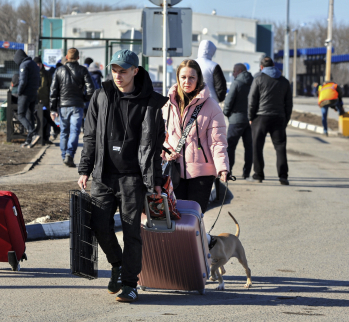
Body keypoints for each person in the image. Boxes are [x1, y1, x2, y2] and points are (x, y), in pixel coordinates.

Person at [78, 49, 167, 303]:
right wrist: (85, 168)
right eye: (115, 70)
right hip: (103, 175)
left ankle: (130, 284)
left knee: (131, 232)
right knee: (98, 225)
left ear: (135, 71)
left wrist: (156, 181)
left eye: (124, 71)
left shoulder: (150, 103)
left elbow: (154, 147)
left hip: (133, 178)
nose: (118, 75)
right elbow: (90, 136)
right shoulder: (101, 96)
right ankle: (117, 264)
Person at [163, 59, 229, 213]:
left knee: (194, 217)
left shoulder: (211, 106)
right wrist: (168, 151)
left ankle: (199, 238)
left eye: (192, 77)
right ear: (178, 78)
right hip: (175, 171)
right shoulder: (168, 104)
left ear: (198, 78)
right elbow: (162, 136)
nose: (187, 81)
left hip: (202, 174)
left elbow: (217, 142)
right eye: (183, 77)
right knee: (176, 217)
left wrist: (222, 168)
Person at [247, 57, 292, 185]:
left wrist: (250, 117)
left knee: (257, 146)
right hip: (279, 118)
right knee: (280, 147)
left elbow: (252, 100)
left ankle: (258, 175)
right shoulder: (284, 81)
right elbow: (289, 103)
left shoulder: (258, 79)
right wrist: (285, 119)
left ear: (261, 67)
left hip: (260, 117)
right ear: (274, 66)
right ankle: (283, 176)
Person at [50, 48, 95, 167]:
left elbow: (53, 91)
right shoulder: (83, 70)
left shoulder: (59, 70)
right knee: (75, 131)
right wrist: (84, 98)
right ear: (78, 58)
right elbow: (91, 89)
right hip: (77, 105)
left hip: (63, 105)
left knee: (64, 131)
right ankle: (70, 154)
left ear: (67, 57)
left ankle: (64, 155)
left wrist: (53, 109)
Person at [223, 63, 253, 179]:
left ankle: (228, 172)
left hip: (236, 120)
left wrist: (226, 113)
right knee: (249, 147)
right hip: (250, 120)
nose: (233, 73)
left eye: (234, 71)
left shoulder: (237, 83)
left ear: (239, 71)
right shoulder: (254, 82)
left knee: (230, 146)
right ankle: (246, 173)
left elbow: (229, 101)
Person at [14, 49, 41, 148]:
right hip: (34, 94)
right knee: (29, 116)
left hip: (25, 94)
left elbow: (23, 81)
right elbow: (39, 81)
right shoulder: (34, 64)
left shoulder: (24, 65)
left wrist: (19, 92)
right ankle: (29, 141)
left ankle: (33, 134)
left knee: (20, 115)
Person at [34, 57, 59, 141]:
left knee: (47, 118)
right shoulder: (32, 73)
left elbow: (51, 88)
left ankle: (46, 137)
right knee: (40, 119)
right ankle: (39, 137)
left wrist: (50, 100)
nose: (38, 65)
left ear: (41, 64)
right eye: (36, 64)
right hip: (37, 100)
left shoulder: (47, 74)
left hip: (46, 100)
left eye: (39, 64)